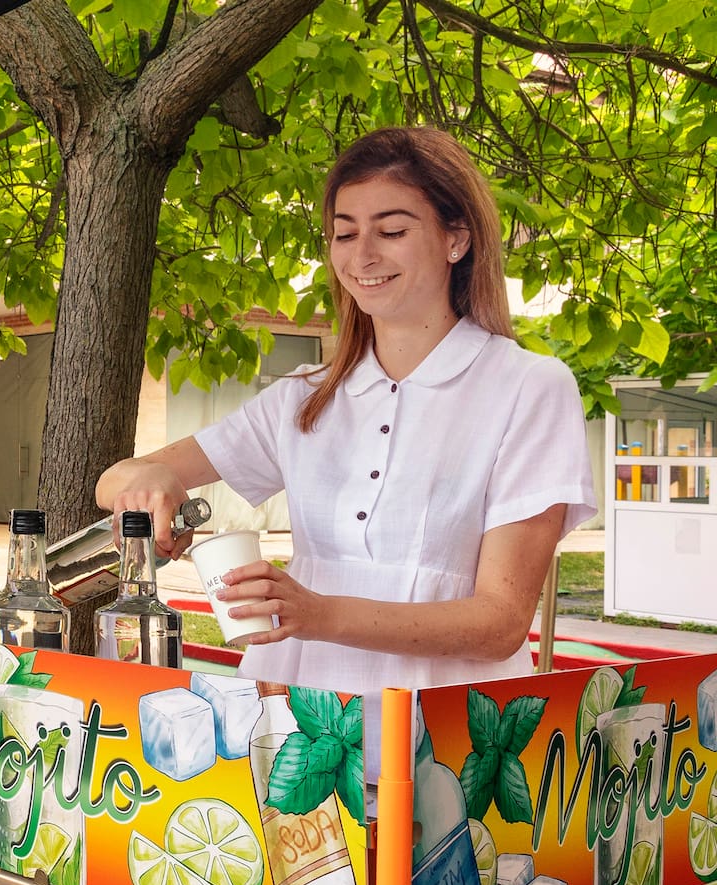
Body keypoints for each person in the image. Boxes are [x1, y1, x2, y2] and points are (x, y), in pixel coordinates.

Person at [95, 127, 595, 762]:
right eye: (344, 233)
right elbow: (115, 479)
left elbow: (500, 623)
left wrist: (319, 613)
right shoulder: (306, 395)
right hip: (294, 729)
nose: (363, 256)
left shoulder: (528, 386)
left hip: (444, 738)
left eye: (392, 230)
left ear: (456, 239)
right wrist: (154, 485)